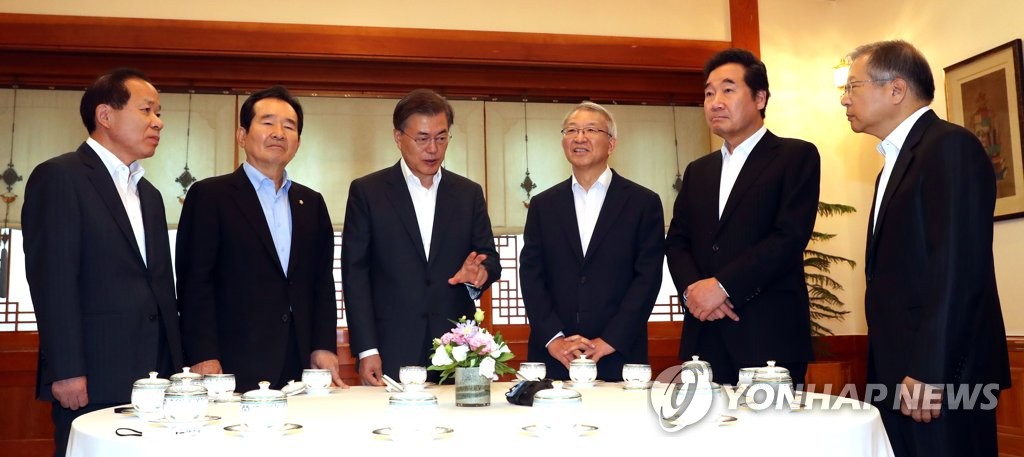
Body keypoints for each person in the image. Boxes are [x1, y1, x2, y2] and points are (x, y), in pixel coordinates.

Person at [841, 40, 1010, 457]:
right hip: (898, 371)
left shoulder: (949, 147)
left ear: (896, 89)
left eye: (853, 86)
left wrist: (930, 370)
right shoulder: (893, 164)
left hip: (940, 377)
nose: (844, 99)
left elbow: (957, 268)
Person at [22, 68, 184, 457]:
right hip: (93, 376)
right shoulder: (60, 177)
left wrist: (179, 367)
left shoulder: (150, 195)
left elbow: (159, 287)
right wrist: (66, 369)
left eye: (159, 113)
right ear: (105, 115)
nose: (158, 122)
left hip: (157, 378)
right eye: (147, 110)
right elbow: (53, 281)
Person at [665, 48, 820, 386]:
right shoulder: (698, 170)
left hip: (768, 336)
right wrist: (695, 292)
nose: (715, 102)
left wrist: (722, 287)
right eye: (709, 93)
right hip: (704, 335)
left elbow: (788, 237)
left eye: (728, 90)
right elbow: (677, 240)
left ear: (760, 98)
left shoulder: (795, 156)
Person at [176, 86, 345, 392]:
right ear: (242, 136)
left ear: (298, 142)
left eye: (289, 126)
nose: (279, 133)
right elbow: (195, 283)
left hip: (299, 362)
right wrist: (203, 355)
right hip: (230, 362)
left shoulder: (311, 203)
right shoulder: (210, 196)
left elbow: (321, 282)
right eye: (268, 123)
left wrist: (323, 345)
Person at [343, 89, 501, 385]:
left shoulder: (468, 194)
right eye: (423, 138)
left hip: (456, 348)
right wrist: (367, 349)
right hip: (390, 347)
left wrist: (479, 275)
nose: (433, 149)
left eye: (441, 138)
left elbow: (489, 259)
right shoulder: (368, 192)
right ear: (398, 137)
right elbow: (355, 275)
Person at [519, 101, 664, 381]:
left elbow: (648, 278)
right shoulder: (543, 205)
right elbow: (531, 275)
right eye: (571, 130)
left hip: (618, 352)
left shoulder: (643, 203)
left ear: (611, 144)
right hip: (556, 354)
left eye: (590, 130)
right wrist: (553, 338)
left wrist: (611, 340)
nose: (579, 137)